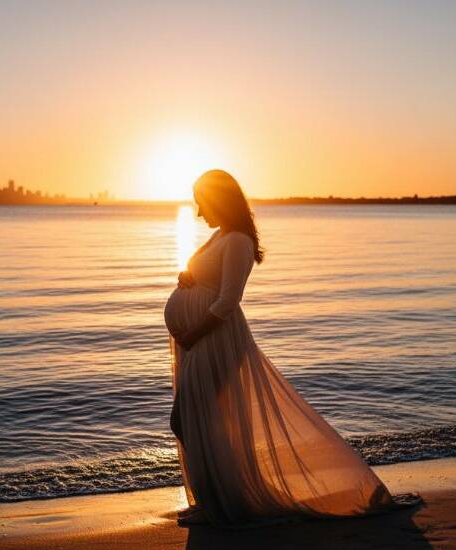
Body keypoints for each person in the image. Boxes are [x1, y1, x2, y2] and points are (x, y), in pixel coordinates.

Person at [164, 169, 415, 527]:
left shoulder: (237, 240)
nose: (198, 210)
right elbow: (210, 278)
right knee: (199, 421)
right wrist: (188, 278)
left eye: (201, 200)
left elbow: (228, 300)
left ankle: (226, 501)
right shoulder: (220, 236)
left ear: (217, 199)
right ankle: (217, 499)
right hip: (199, 341)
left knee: (190, 419)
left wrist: (194, 333)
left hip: (214, 340)